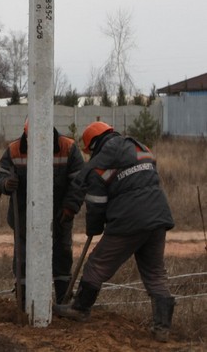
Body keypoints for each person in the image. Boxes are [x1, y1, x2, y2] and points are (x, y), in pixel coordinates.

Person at [54, 121, 175, 343]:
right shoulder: (140, 147)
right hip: (158, 217)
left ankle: (80, 308)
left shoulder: (101, 160)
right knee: (155, 273)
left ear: (93, 144)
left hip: (129, 221)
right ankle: (162, 328)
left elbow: (96, 200)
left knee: (97, 264)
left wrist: (94, 228)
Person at [0, 120, 84, 303]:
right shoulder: (14, 150)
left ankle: (63, 300)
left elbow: (79, 182)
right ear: (26, 134)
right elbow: (0, 173)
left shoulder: (68, 148)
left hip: (60, 216)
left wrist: (70, 207)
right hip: (25, 217)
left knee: (62, 256)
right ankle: (24, 300)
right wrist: (6, 183)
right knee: (23, 259)